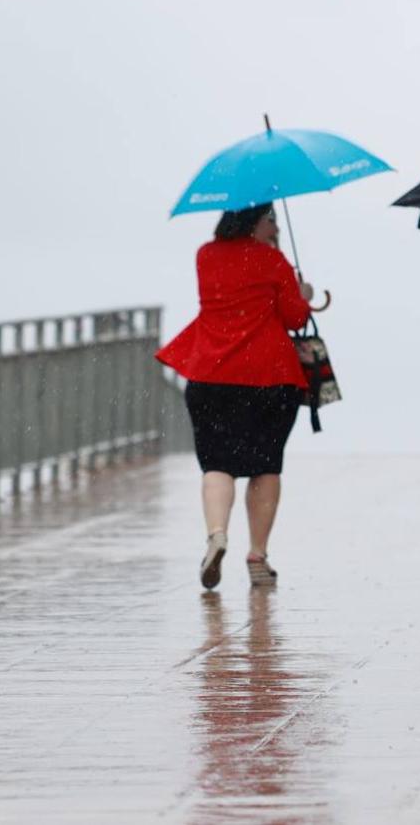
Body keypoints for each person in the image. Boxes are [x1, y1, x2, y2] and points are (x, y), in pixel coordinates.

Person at [156, 203, 314, 589]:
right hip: (269, 377)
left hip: (212, 374)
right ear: (255, 220)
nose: (275, 225)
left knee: (216, 465)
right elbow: (294, 318)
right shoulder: (272, 261)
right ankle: (257, 554)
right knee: (265, 467)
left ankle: (216, 534)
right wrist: (302, 292)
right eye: (270, 218)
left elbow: (227, 298)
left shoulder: (206, 255)